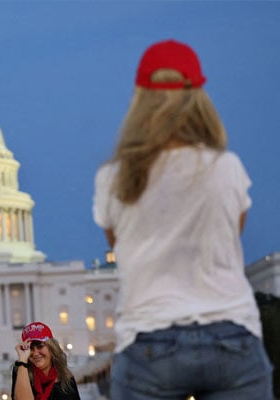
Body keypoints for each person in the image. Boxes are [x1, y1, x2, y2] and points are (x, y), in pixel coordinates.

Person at [92, 39, 273, 399]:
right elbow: (230, 238)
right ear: (199, 98)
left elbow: (120, 248)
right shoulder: (227, 168)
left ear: (139, 98)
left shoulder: (115, 177)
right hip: (232, 337)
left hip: (148, 342)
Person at [11, 321, 80, 400]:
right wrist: (22, 359)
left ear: (51, 348)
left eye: (40, 346)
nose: (35, 353)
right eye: (30, 348)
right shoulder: (21, 369)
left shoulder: (65, 376)